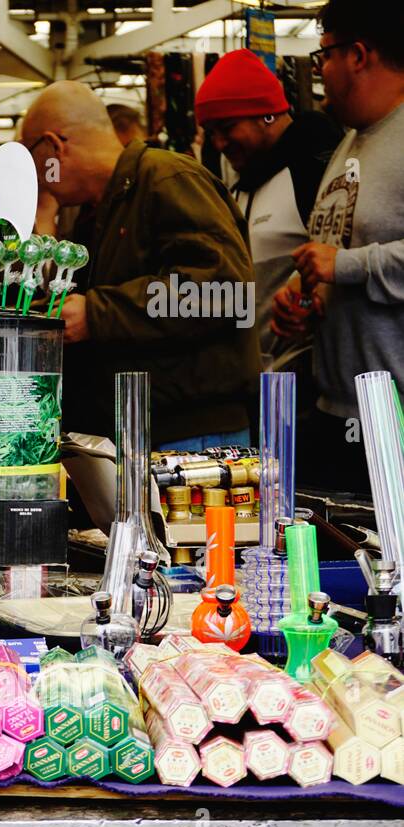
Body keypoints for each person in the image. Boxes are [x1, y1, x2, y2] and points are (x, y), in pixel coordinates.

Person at [21, 81, 258, 450]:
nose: (37, 176)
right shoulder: (98, 211)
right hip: (136, 431)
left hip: (191, 437)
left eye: (33, 159)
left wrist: (96, 314)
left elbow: (224, 291)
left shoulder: (168, 179)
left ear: (53, 146)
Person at [271, 0, 404, 495]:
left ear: (358, 55)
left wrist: (345, 267)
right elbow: (333, 245)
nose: (320, 71)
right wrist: (302, 297)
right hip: (336, 410)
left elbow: (344, 260)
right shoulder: (349, 143)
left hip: (395, 420)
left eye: (323, 55)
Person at [196, 49, 342, 369]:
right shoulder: (244, 182)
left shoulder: (315, 171)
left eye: (227, 127)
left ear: (266, 115)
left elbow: (345, 262)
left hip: (308, 378)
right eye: (211, 133)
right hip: (258, 376)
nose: (219, 143)